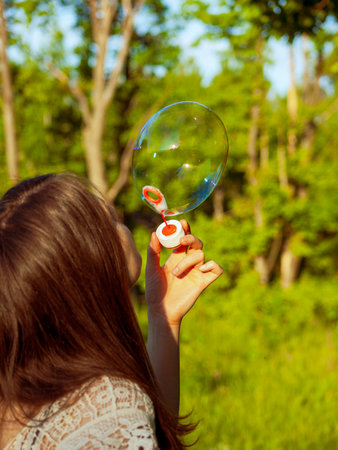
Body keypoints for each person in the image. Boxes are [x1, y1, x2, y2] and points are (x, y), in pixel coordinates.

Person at [0, 173, 223, 449]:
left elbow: (149, 430)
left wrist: (164, 315)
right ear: (88, 262)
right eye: (111, 220)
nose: (121, 222)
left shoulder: (19, 394)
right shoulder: (111, 407)